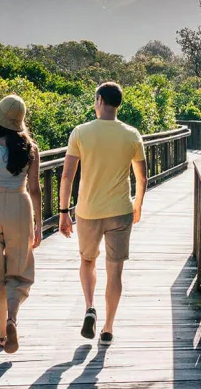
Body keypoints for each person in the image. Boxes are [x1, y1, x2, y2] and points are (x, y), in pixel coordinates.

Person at [58, 81, 147, 346]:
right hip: (120, 210)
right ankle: (108, 328)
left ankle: (89, 308)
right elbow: (142, 178)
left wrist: (64, 212)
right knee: (115, 270)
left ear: (99, 100)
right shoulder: (132, 134)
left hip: (88, 211)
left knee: (87, 261)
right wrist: (138, 205)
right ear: (118, 103)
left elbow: (67, 175)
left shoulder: (81, 132)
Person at [0, 94, 42, 354]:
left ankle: (3, 333)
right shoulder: (31, 149)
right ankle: (13, 318)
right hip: (21, 208)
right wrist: (37, 225)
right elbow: (34, 189)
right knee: (19, 270)